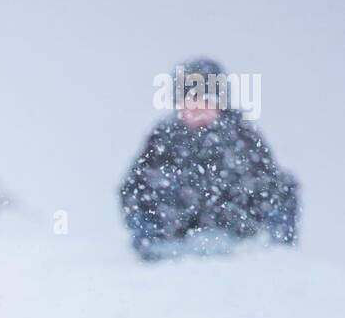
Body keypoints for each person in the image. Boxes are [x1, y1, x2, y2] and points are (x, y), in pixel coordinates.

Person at [120, 57, 299, 261]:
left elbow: (276, 190)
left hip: (236, 244)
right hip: (172, 246)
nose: (197, 108)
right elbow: (134, 189)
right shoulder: (164, 140)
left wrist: (274, 248)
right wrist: (148, 239)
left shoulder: (243, 139)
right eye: (190, 100)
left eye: (206, 100)